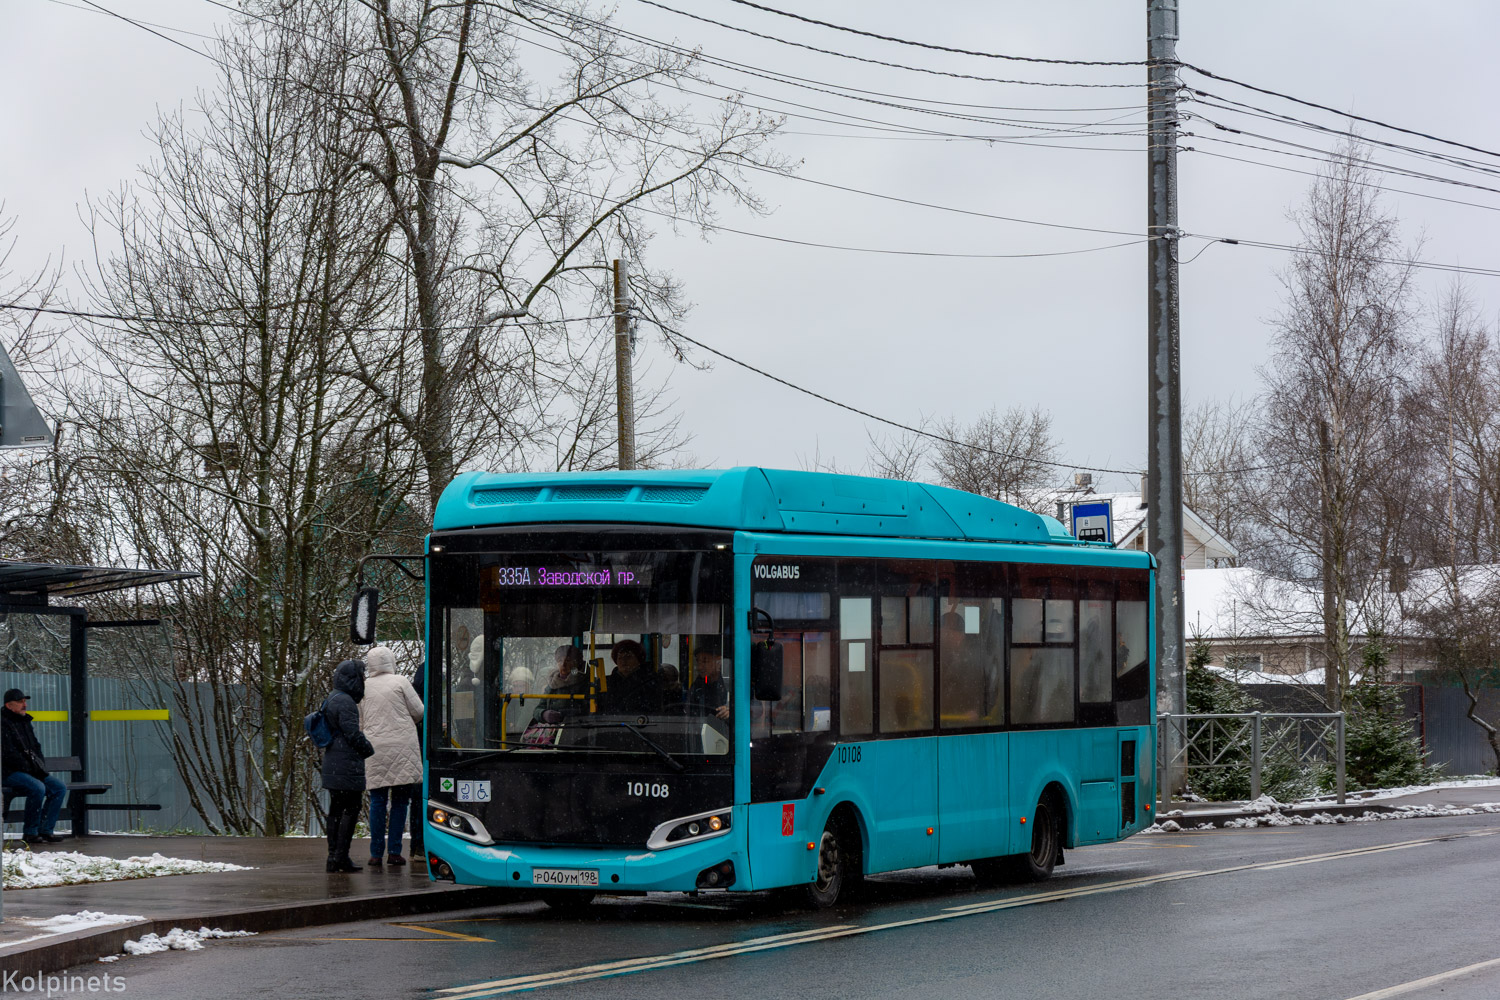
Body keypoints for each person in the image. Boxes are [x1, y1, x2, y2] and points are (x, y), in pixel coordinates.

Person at [360, 646, 424, 869]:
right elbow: (419, 711)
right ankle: (395, 852)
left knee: (377, 801)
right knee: (400, 802)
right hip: (402, 747)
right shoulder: (401, 681)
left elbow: (360, 722)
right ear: (391, 661)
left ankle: (376, 853)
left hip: (375, 748)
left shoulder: (364, 687)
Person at [321, 659, 376, 873]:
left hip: (334, 763)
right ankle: (340, 857)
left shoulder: (333, 697)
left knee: (336, 811)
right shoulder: (346, 702)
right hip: (346, 765)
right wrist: (368, 749)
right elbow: (352, 734)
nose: (363, 680)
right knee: (350, 811)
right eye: (361, 676)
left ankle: (333, 857)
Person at [1, 689, 66, 844]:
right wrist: (29, 769)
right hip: (8, 772)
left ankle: (45, 830)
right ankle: (30, 832)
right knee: (37, 788)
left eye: (25, 701)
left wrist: (38, 766)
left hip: (29, 770)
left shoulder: (24, 721)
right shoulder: (2, 723)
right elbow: (7, 754)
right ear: (9, 705)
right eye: (21, 702)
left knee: (59, 788)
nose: (25, 705)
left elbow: (35, 747)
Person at [602, 639, 658, 714]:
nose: (623, 661)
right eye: (620, 657)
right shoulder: (605, 682)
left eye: (628, 657)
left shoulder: (650, 681)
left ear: (639, 659)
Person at [407, 665, 426, 864]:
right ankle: (420, 845)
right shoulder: (420, 704)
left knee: (416, 801)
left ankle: (417, 846)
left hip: (412, 755)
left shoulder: (410, 695)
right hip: (420, 753)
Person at [686, 648, 731, 721]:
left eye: (705, 661)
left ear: (718, 662)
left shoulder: (728, 683)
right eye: (698, 662)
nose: (699, 667)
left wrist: (730, 711)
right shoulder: (698, 685)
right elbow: (689, 711)